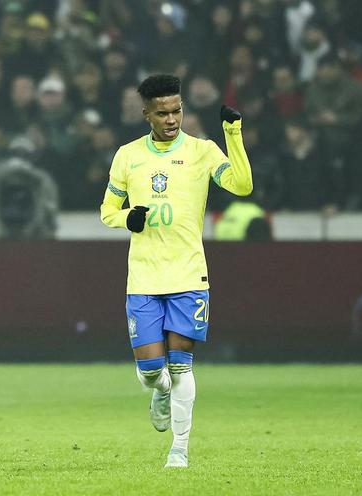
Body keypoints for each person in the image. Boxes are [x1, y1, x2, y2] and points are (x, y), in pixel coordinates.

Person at [99, 74, 252, 469]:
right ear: (146, 114)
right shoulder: (128, 155)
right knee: (152, 371)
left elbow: (242, 185)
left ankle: (179, 450)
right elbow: (107, 211)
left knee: (182, 365)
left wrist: (232, 134)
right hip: (144, 277)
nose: (171, 119)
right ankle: (160, 390)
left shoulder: (202, 151)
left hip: (188, 275)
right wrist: (127, 218)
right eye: (162, 113)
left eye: (177, 111)